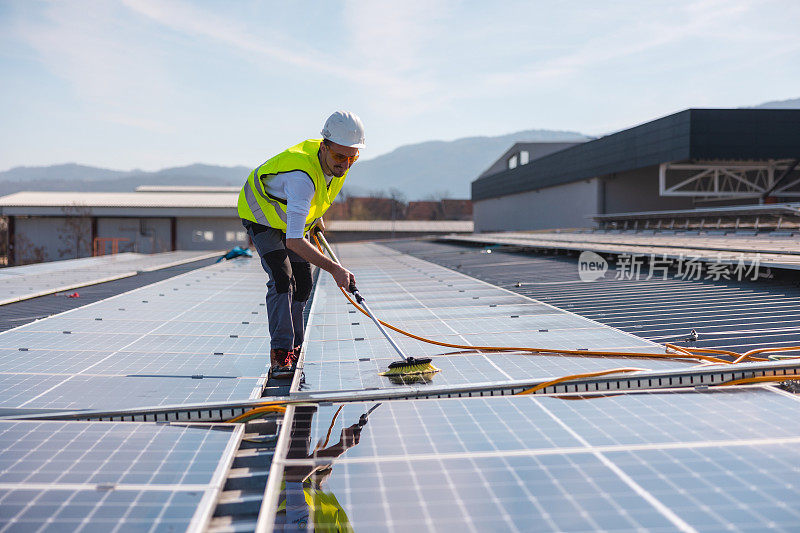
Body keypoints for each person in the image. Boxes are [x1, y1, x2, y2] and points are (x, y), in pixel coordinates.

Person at [238, 111, 364, 379]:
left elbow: (320, 193)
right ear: (324, 147)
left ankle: (295, 344)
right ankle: (281, 353)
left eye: (352, 158)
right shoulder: (301, 178)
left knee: (304, 283)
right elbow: (294, 240)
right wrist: (335, 269)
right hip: (262, 216)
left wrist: (315, 217)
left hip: (287, 218)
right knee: (282, 279)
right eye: (340, 157)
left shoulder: (336, 165)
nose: (345, 164)